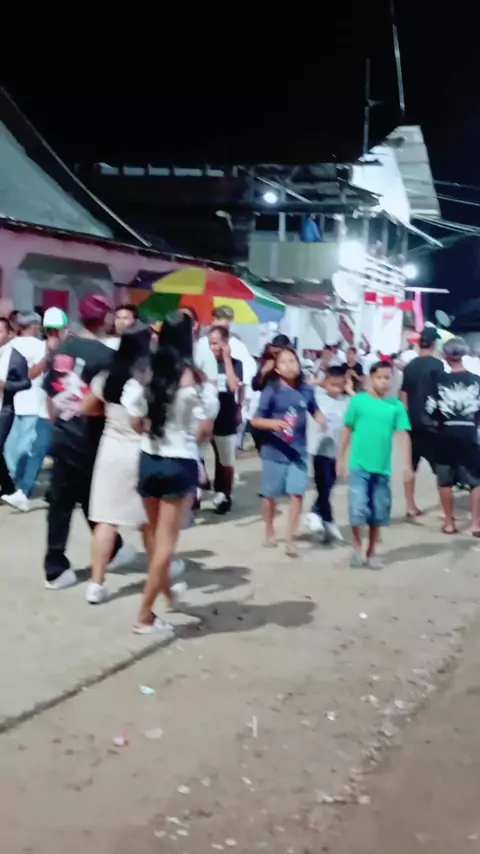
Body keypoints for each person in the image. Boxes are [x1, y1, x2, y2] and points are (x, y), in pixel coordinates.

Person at [126, 311, 217, 635]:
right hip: (180, 460)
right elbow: (205, 430)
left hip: (149, 457)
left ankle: (165, 593)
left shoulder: (147, 373)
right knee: (166, 543)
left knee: (153, 537)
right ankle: (144, 615)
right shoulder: (197, 380)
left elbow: (134, 420)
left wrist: (153, 429)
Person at [42, 294, 131, 590]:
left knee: (64, 501)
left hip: (63, 433)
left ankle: (57, 566)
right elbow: (109, 402)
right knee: (95, 499)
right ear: (106, 317)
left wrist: (55, 425)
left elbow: (51, 394)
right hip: (90, 436)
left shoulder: (61, 349)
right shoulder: (106, 356)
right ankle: (110, 549)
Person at [83, 322, 153, 604]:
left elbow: (86, 407)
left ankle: (96, 583)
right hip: (141, 450)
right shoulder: (150, 378)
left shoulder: (107, 377)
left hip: (111, 449)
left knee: (106, 520)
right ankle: (159, 572)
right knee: (148, 521)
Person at [337, 360, 412, 569]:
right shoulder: (358, 402)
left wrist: (407, 464)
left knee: (378, 511)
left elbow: (403, 434)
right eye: (379, 377)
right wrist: (340, 458)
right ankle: (357, 545)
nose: (384, 382)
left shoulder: (396, 406)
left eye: (388, 378)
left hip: (382, 469)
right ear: (371, 379)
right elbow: (347, 429)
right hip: (359, 466)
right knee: (357, 508)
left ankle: (371, 551)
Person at [251, 347, 326, 556]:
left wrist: (323, 420)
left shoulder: (306, 390)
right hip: (274, 452)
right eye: (284, 362)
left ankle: (290, 538)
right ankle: (269, 529)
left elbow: (314, 409)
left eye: (293, 361)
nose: (289, 365)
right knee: (269, 495)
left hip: (298, 452)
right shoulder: (271, 391)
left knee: (297, 494)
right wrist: (274, 423)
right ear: (276, 368)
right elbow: (256, 420)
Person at [2, 308, 68, 511]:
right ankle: (21, 490)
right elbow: (30, 375)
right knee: (33, 449)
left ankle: (22, 489)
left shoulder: (12, 346)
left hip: (29, 405)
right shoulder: (41, 347)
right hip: (39, 405)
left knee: (28, 450)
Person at [426, 337, 480, 535]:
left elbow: (430, 408)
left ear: (446, 356)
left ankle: (449, 523)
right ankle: (476, 524)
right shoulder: (477, 380)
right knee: (475, 479)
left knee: (445, 479)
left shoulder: (439, 380)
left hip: (445, 432)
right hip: (469, 432)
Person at [400, 326, 444, 517]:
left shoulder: (409, 366)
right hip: (432, 422)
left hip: (411, 421)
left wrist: (403, 419)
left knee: (410, 465)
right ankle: (444, 508)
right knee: (441, 468)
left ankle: (410, 505)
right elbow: (441, 393)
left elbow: (403, 394)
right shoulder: (438, 365)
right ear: (433, 343)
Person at [305, 365, 353, 541]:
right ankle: (328, 520)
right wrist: (317, 382)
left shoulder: (346, 400)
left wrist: (349, 390)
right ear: (325, 382)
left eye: (340, 386)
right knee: (323, 485)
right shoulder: (317, 394)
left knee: (330, 484)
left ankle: (316, 514)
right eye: (333, 385)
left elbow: (362, 405)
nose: (336, 390)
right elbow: (304, 389)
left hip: (336, 450)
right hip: (318, 448)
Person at [208, 325, 243, 514]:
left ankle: (224, 494)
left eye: (216, 343)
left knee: (225, 460)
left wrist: (227, 359)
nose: (213, 347)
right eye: (210, 343)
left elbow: (233, 385)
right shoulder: (205, 362)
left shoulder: (236, 364)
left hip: (226, 414)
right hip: (207, 416)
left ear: (226, 343)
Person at [0, 318, 31, 498]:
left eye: (0, 331)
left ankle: (8, 488)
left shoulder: (15, 357)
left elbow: (25, 383)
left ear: (9, 334)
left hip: (4, 409)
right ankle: (8, 488)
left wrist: (5, 385)